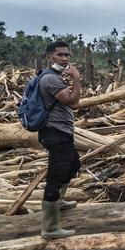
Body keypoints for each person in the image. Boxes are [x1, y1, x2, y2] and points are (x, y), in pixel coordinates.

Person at [37, 41, 81, 239]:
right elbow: (73, 102)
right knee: (55, 177)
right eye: (60, 55)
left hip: (60, 132)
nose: (64, 59)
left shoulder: (52, 77)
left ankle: (59, 202)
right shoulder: (51, 80)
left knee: (73, 165)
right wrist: (77, 79)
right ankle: (50, 228)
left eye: (67, 55)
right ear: (50, 57)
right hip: (55, 133)